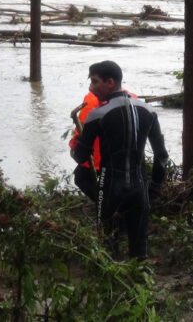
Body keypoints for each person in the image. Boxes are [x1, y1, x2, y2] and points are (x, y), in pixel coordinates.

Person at [73, 61, 168, 259]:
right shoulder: (148, 111)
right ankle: (141, 284)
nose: (92, 87)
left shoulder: (97, 114)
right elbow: (161, 156)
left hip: (109, 189)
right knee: (139, 250)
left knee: (107, 246)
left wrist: (76, 150)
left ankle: (112, 284)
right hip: (139, 187)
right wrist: (155, 189)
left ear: (110, 83)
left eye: (95, 82)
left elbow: (81, 155)